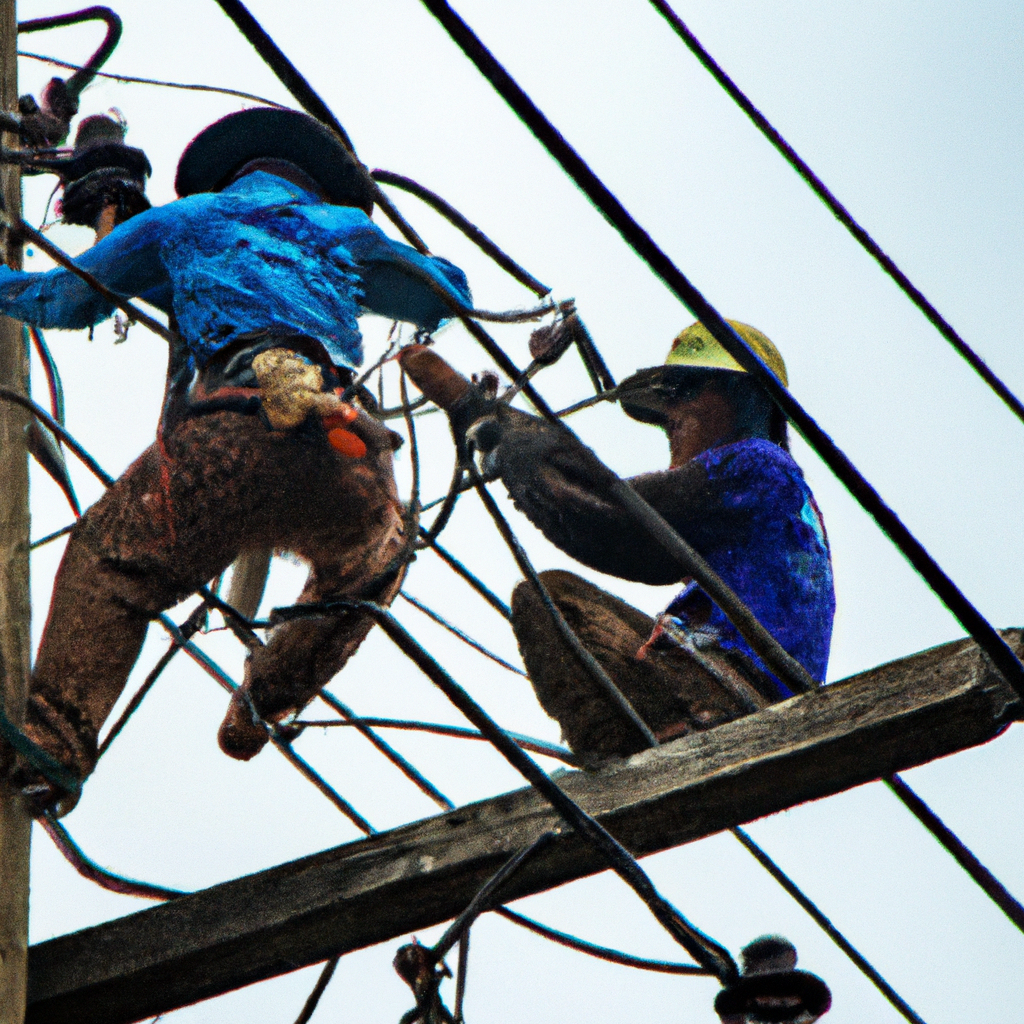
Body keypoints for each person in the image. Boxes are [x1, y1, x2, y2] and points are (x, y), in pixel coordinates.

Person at [0, 107, 472, 815]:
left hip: (230, 438)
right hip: (346, 451)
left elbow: (66, 298)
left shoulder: (188, 220)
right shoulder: (346, 230)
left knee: (114, 562)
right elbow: (449, 293)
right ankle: (263, 701)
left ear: (227, 174)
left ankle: (54, 748)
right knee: (372, 556)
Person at [399, 320, 835, 764]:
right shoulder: (774, 496)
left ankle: (621, 753)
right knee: (561, 601)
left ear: (744, 398)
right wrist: (502, 429)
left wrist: (498, 431)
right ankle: (650, 737)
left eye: (685, 390)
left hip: (737, 692)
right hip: (731, 683)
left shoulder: (758, 466)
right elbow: (617, 510)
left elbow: (614, 515)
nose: (672, 417)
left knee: (551, 600)